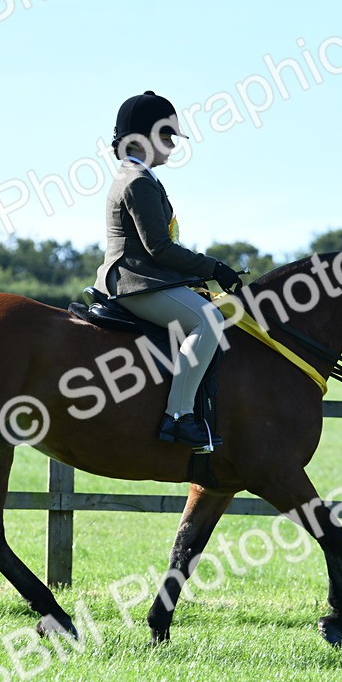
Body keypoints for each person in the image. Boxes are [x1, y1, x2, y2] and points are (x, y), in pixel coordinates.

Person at [93, 91, 244, 452]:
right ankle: (179, 417)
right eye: (165, 137)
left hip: (143, 276)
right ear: (140, 139)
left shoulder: (141, 176)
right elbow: (159, 248)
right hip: (134, 280)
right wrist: (213, 268)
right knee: (208, 320)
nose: (172, 146)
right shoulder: (138, 181)